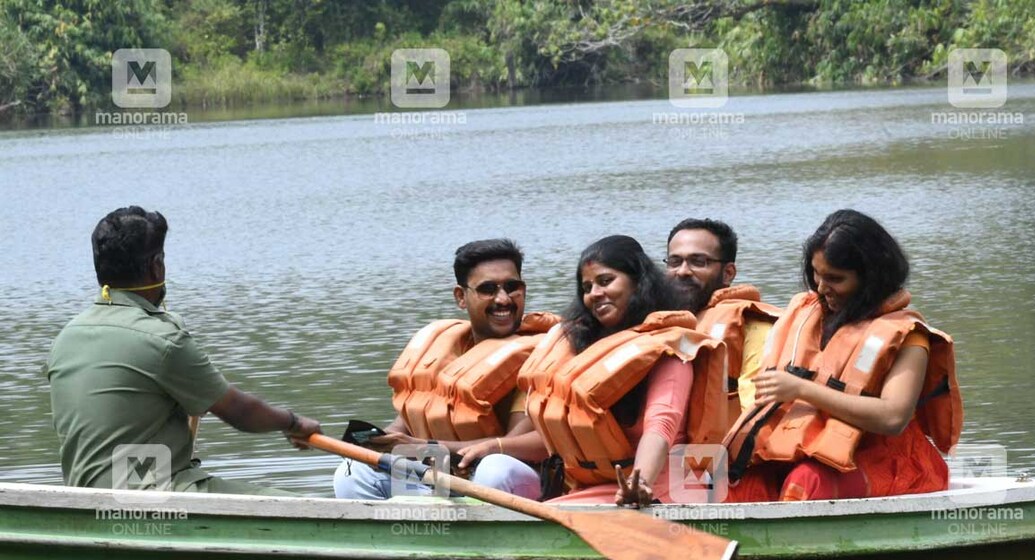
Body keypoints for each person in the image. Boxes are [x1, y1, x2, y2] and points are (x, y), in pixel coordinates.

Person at [48, 206, 322, 496]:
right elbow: (240, 412)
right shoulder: (161, 339)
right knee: (306, 509)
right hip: (151, 500)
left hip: (83, 499)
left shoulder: (65, 339)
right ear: (156, 266)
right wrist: (293, 422)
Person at [723, 210, 963, 502]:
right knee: (734, 487)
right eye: (816, 274)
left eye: (835, 279)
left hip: (886, 459)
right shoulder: (803, 316)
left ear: (871, 277)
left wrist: (802, 389)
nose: (821, 288)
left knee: (806, 483)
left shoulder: (909, 337)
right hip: (799, 448)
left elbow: (893, 418)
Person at [509, 235, 728, 506]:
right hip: (599, 484)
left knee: (550, 511)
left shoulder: (669, 351)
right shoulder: (585, 348)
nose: (594, 294)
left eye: (605, 281)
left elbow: (661, 425)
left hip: (661, 488)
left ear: (638, 282)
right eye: (587, 287)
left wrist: (640, 483)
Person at [333, 239, 557, 500]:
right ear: (461, 297)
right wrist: (378, 444)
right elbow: (405, 425)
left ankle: (482, 523)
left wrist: (425, 448)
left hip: (516, 484)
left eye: (512, 287)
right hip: (447, 479)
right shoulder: (444, 351)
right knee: (355, 470)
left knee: (495, 468)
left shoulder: (537, 356)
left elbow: (514, 448)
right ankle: (400, 524)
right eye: (487, 289)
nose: (503, 299)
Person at [665, 219, 782, 419]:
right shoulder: (657, 326)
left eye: (698, 262)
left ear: (728, 273)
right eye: (674, 262)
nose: (683, 271)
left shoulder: (754, 329)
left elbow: (758, 413)